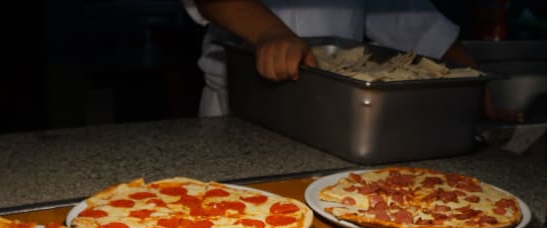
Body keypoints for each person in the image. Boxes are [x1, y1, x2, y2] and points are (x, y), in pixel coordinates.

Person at [184, 0, 516, 121]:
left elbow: (401, 13)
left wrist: (461, 69)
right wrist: (270, 32)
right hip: (241, 110)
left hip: (340, 114)